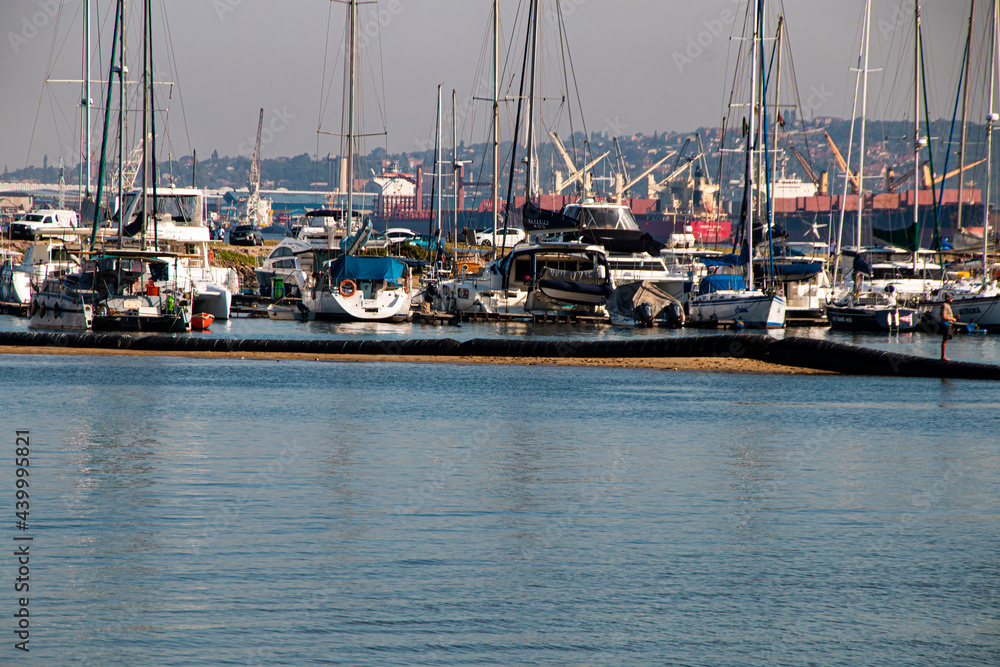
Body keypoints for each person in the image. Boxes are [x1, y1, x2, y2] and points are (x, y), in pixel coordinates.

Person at [940, 294, 957, 361]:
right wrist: (952, 319)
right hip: (946, 324)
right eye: (951, 298)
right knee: (945, 340)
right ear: (949, 299)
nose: (952, 300)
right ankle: (943, 356)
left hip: (949, 324)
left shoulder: (948, 306)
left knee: (946, 340)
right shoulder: (944, 305)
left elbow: (948, 315)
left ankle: (943, 356)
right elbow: (944, 316)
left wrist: (954, 316)